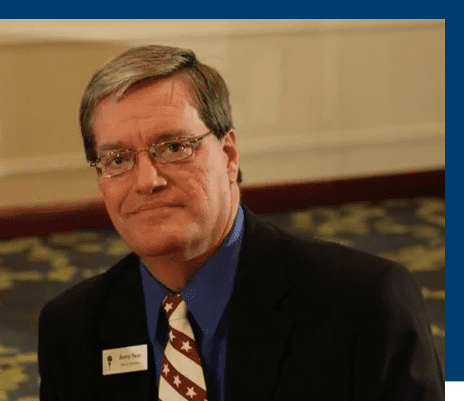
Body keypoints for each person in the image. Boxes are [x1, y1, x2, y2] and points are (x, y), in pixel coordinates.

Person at [38, 45, 444, 401]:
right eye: (118, 159)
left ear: (229, 154)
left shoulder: (365, 304)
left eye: (174, 147)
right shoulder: (72, 328)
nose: (147, 181)